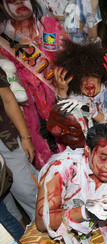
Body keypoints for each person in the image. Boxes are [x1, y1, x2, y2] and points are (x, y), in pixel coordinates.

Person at [0, 0, 70, 168]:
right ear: (2, 6)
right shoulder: (3, 37)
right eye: (12, 0)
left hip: (62, 107)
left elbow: (72, 62)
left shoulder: (50, 26)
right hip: (28, 119)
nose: (19, 3)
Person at [53, 40, 107, 128]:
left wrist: (91, 111)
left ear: (100, 75)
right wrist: (62, 92)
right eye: (82, 76)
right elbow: (64, 120)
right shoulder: (76, 95)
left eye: (92, 75)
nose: (88, 80)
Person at [0, 66, 38, 229]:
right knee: (4, 203)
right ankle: (24, 240)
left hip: (5, 138)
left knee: (27, 188)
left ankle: (54, 226)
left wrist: (25, 137)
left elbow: (8, 100)